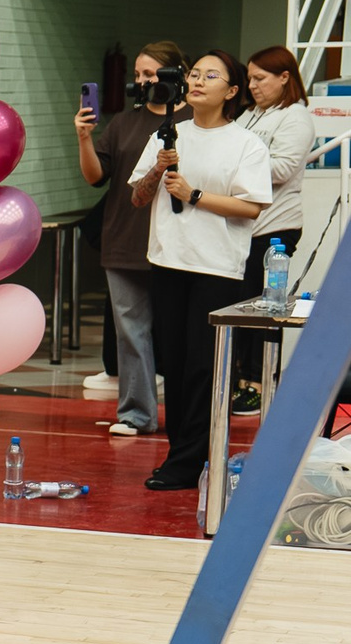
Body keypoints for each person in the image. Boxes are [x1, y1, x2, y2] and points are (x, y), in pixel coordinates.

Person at [127, 51, 272, 492]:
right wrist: (158, 168)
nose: (198, 81)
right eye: (194, 74)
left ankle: (190, 461)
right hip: (168, 261)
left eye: (211, 75)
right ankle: (181, 456)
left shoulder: (245, 143)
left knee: (202, 368)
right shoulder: (168, 134)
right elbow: (138, 198)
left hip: (217, 268)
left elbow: (252, 207)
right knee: (173, 364)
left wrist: (193, 195)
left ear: (231, 91)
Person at [77, 40, 180, 434]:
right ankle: (136, 414)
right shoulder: (123, 122)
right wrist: (84, 138)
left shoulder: (192, 119)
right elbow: (95, 176)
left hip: (175, 243)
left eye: (150, 74)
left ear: (173, 74)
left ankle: (186, 418)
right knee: (131, 333)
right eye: (137, 74)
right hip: (123, 239)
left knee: (175, 333)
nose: (142, 81)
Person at [234, 45, 316, 410]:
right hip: (243, 227)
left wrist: (234, 164)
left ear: (285, 77)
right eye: (249, 78)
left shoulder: (295, 117)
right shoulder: (250, 115)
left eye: (260, 78)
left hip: (276, 227)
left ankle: (259, 381)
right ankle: (240, 378)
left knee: (266, 307)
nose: (252, 85)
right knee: (241, 306)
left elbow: (282, 169)